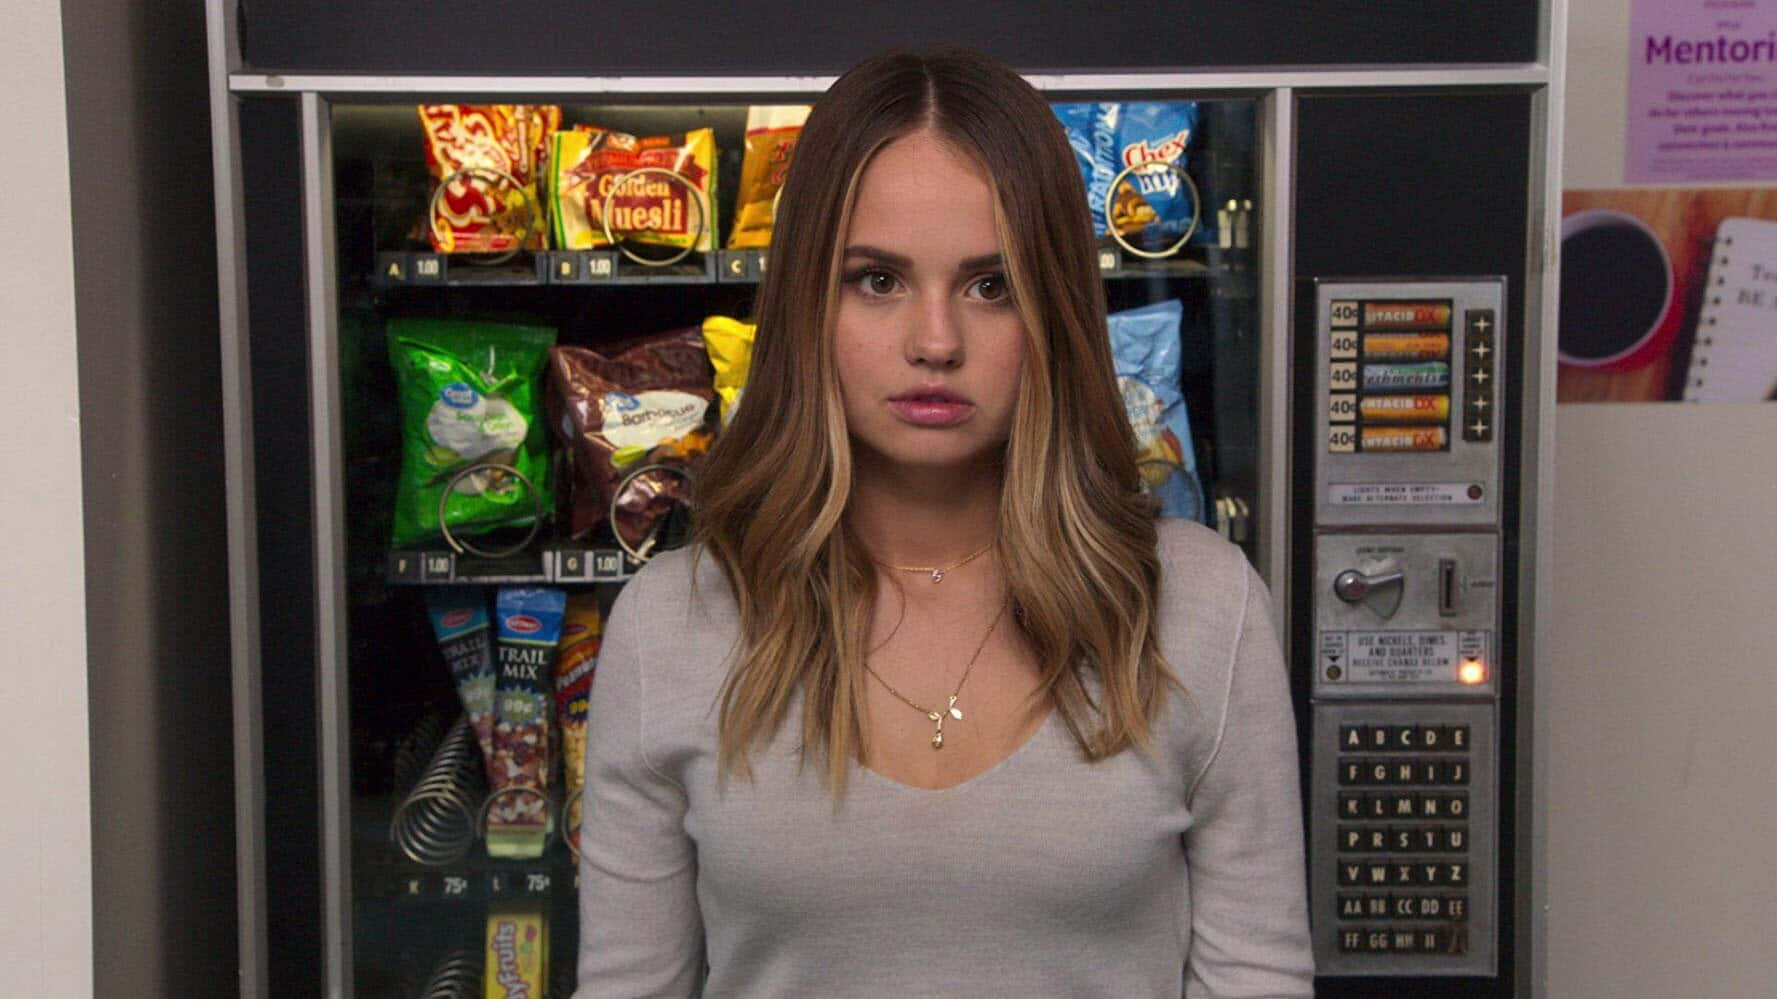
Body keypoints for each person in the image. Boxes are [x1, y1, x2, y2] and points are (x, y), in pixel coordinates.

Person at [574, 48, 1312, 997]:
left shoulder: (1203, 610)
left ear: (1055, 309)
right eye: (877, 280)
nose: (935, 342)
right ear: (806, 304)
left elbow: (1258, 979)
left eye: (990, 284)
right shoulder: (670, 626)